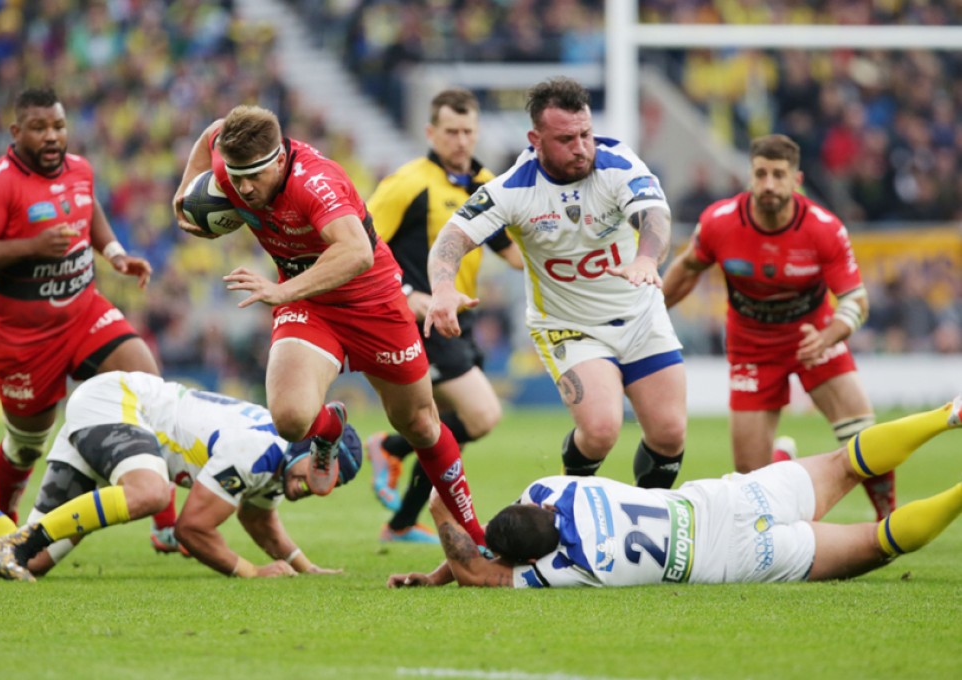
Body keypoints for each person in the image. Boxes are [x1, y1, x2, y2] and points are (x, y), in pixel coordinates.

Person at [171, 105, 487, 547]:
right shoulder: (233, 168)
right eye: (236, 176)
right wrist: (184, 193)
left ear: (280, 159)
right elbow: (212, 133)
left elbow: (356, 252)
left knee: (418, 424)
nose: (243, 188)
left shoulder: (316, 183)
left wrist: (283, 291)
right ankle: (330, 430)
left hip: (372, 301)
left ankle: (476, 534)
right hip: (310, 304)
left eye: (255, 176)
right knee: (290, 419)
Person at [388, 397, 962, 589]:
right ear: (534, 506)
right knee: (848, 460)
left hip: (742, 559)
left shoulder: (559, 571)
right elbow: (482, 547)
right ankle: (947, 415)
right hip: (733, 501)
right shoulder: (552, 489)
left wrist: (440, 549)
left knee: (881, 541)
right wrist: (445, 490)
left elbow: (478, 567)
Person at [0, 87, 182, 550]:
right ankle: (7, 519)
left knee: (149, 389)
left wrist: (114, 253)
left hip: (84, 311)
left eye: (58, 126)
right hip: (25, 338)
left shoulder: (80, 169)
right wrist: (33, 246)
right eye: (39, 128)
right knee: (25, 446)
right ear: (16, 132)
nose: (52, 136)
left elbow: (86, 205)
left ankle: (167, 526)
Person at [426, 77, 687, 489]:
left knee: (670, 433)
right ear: (536, 139)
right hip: (571, 327)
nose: (582, 147)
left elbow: (656, 217)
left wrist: (645, 258)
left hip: (639, 315)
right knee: (601, 430)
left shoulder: (618, 163)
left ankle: (646, 515)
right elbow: (452, 238)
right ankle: (571, 503)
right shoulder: (513, 188)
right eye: (566, 138)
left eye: (586, 134)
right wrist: (442, 287)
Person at [661, 133, 894, 519]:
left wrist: (828, 336)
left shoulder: (823, 228)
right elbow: (687, 269)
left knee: (862, 435)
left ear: (796, 179)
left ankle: (889, 517)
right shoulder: (719, 222)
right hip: (751, 347)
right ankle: (780, 460)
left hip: (815, 336)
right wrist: (650, 314)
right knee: (750, 479)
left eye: (778, 175)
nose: (769, 184)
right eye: (761, 174)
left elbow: (856, 300)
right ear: (749, 176)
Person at [0, 371, 362, 581]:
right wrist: (250, 572)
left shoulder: (278, 461)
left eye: (333, 484)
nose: (317, 487)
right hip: (119, 404)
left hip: (115, 417)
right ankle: (24, 537)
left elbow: (259, 519)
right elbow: (191, 529)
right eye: (322, 471)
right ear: (311, 448)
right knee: (151, 493)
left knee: (27, 562)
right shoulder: (259, 448)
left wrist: (303, 567)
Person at [364, 88, 523, 544]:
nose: (460, 140)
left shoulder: (486, 183)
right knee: (481, 415)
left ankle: (399, 524)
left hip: (461, 320)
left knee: (444, 432)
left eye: (468, 131)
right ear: (431, 132)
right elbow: (361, 243)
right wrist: (408, 291)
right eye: (451, 131)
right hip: (420, 319)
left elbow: (511, 252)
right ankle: (388, 447)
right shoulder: (407, 182)